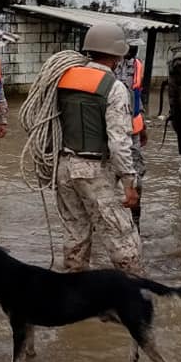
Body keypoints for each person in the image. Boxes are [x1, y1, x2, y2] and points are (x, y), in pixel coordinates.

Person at [54, 23, 142, 274]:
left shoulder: (63, 78)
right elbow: (119, 141)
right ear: (117, 55)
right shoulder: (113, 87)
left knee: (75, 234)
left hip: (64, 167)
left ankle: (74, 295)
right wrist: (129, 182)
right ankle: (137, 293)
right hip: (95, 170)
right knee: (121, 236)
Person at [115, 32, 147, 231]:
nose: (134, 49)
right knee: (112, 174)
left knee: (137, 175)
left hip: (132, 130)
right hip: (113, 129)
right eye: (131, 45)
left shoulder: (137, 65)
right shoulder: (108, 66)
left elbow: (138, 96)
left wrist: (143, 127)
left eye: (136, 45)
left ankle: (135, 224)